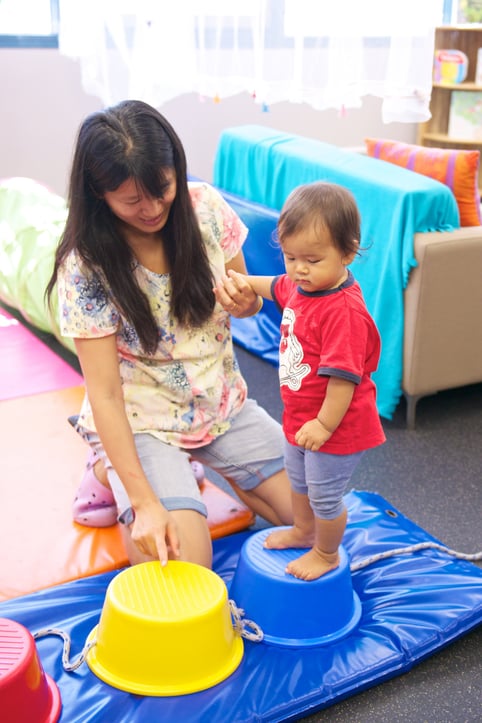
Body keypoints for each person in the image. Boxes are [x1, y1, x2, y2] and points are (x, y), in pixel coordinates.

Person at [46, 99, 292, 570]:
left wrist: (250, 304)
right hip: (143, 419)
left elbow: (248, 301)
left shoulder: (206, 209)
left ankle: (197, 469)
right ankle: (108, 467)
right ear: (100, 193)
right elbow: (106, 394)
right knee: (183, 571)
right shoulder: (86, 265)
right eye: (132, 200)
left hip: (220, 403)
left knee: (317, 521)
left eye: (162, 189)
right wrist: (144, 503)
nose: (153, 208)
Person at [214, 182, 386, 581]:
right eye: (291, 257)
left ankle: (325, 553)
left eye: (311, 259)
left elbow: (344, 379)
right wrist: (240, 282)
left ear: (347, 252)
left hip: (335, 426)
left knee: (325, 496)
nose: (299, 269)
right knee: (298, 480)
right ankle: (302, 530)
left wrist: (324, 424)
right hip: (301, 416)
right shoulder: (302, 284)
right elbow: (273, 285)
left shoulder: (343, 311)